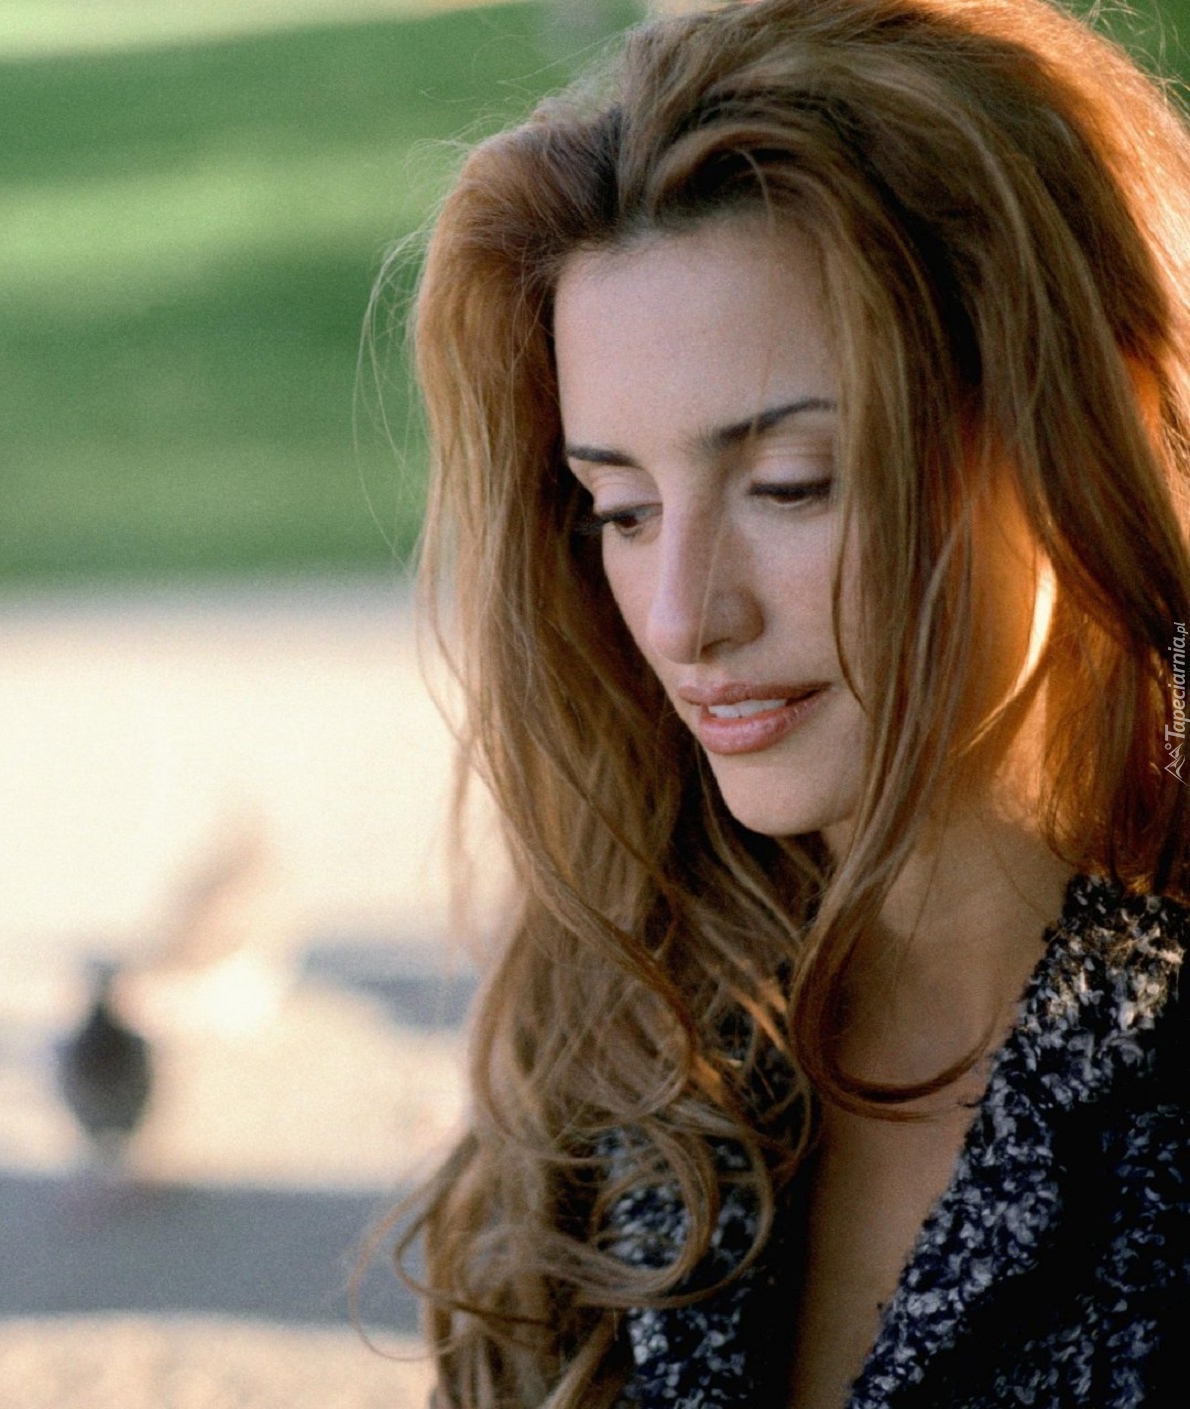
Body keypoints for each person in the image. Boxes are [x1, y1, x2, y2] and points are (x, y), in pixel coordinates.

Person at [400, 1, 1190, 1405]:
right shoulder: (622, 1040)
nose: (682, 617)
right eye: (622, 509)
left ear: (1068, 431)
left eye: (789, 486)